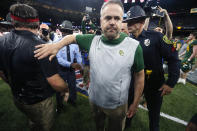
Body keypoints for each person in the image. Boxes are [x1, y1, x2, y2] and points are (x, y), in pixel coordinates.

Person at [34, 1, 145, 131]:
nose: (112, 22)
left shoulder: (134, 47)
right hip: (95, 100)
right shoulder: (92, 40)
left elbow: (140, 76)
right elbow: (72, 37)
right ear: (101, 20)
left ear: (122, 22)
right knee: (98, 126)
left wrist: (135, 102)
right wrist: (56, 46)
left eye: (117, 18)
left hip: (118, 105)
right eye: (108, 17)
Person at [0, 4, 69, 131]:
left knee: (32, 119)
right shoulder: (41, 47)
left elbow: (2, 72)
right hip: (38, 101)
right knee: (43, 125)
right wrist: (66, 89)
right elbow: (55, 83)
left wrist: (11, 84)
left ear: (13, 21)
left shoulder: (2, 40)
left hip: (17, 97)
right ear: (36, 23)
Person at [124, 5, 180, 131]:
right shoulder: (128, 41)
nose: (128, 24)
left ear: (142, 22)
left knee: (154, 118)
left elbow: (173, 58)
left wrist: (171, 82)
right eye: (127, 21)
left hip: (155, 84)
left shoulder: (156, 37)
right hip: (134, 83)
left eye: (132, 21)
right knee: (128, 111)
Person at [55, 20, 82, 112]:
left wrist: (80, 65)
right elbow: (58, 59)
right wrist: (71, 64)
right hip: (61, 69)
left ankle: (72, 101)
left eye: (68, 31)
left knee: (72, 86)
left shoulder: (74, 44)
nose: (66, 33)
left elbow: (78, 56)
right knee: (60, 87)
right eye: (64, 31)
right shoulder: (57, 43)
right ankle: (59, 105)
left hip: (71, 70)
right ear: (61, 31)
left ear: (71, 32)